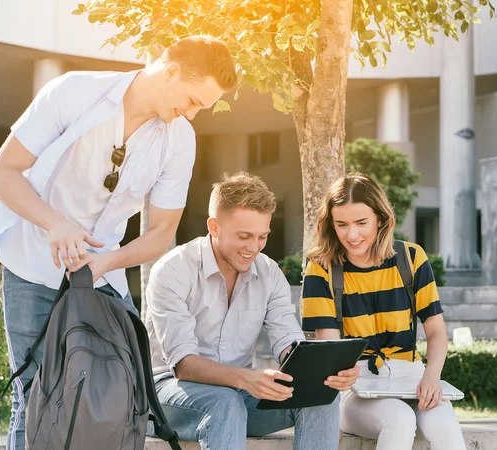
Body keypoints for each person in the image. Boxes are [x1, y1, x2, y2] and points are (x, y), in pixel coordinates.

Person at [0, 36, 237, 450]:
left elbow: (161, 233)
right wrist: (55, 223)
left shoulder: (179, 139)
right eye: (193, 100)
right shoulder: (72, 91)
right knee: (37, 395)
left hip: (102, 275)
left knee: (122, 391)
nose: (194, 114)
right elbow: (2, 173)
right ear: (172, 72)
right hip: (31, 263)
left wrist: (107, 263)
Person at [145, 172, 359, 450]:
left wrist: (323, 373)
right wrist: (247, 379)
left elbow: (289, 344)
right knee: (225, 402)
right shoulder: (173, 270)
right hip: (169, 395)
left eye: (262, 237)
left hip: (241, 395)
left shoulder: (269, 273)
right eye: (244, 236)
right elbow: (184, 364)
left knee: (320, 400)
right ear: (214, 226)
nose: (253, 248)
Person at [301, 174, 466, 450]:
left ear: (381, 218)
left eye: (361, 223)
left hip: (413, 376)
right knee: (399, 418)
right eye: (341, 224)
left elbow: (436, 331)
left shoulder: (412, 258)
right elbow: (331, 350)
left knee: (445, 426)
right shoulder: (321, 268)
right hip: (355, 385)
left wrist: (432, 376)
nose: (351, 235)